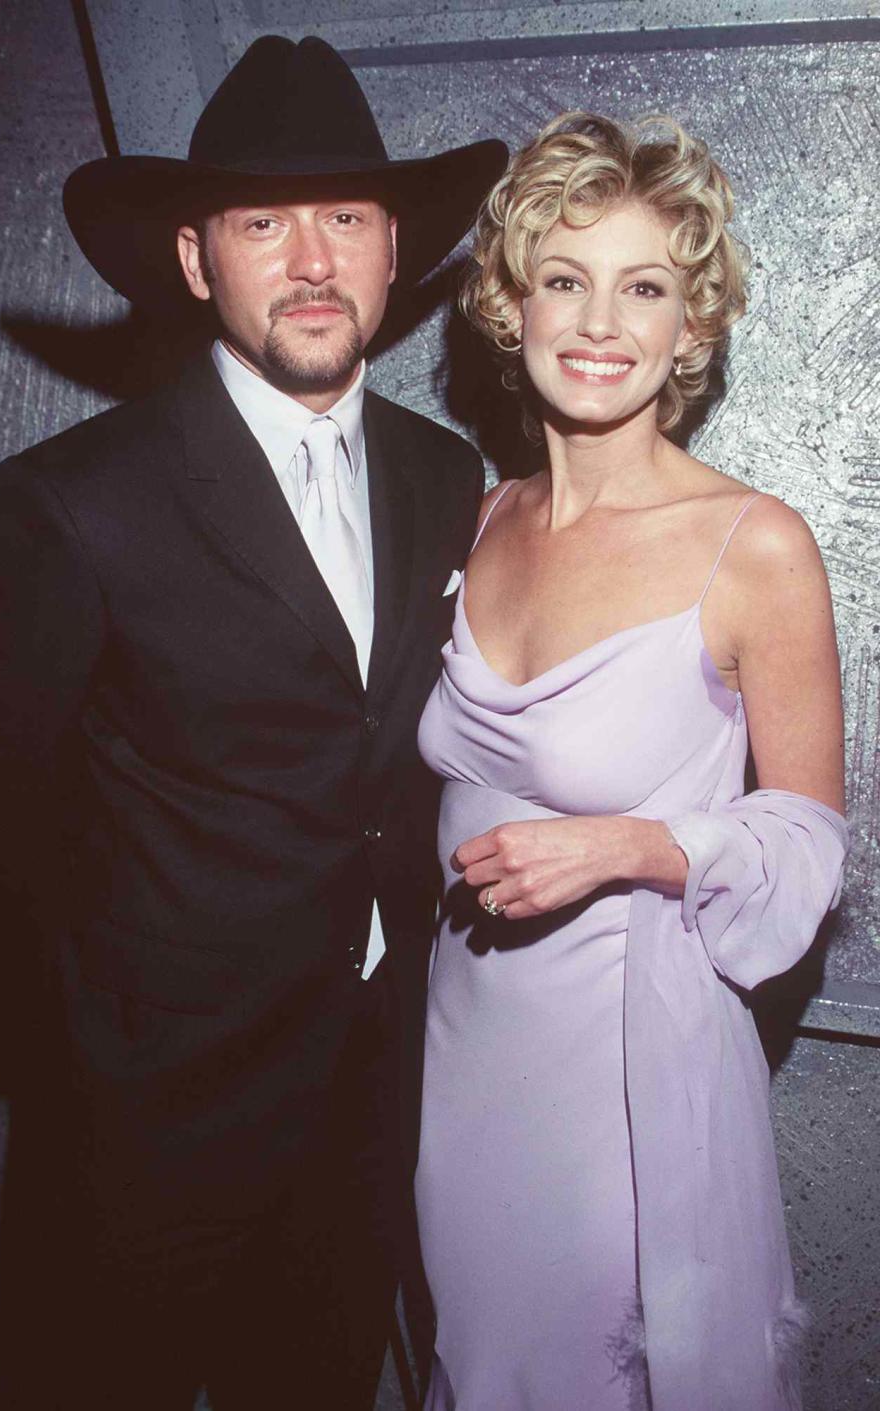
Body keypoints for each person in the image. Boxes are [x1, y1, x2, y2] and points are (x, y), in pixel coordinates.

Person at [0, 34, 507, 1411]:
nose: (312, 262)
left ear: (394, 256)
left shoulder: (445, 474)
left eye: (347, 222)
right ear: (197, 260)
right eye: (264, 223)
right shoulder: (77, 497)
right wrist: (87, 1051)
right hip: (140, 1136)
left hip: (366, 1117)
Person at [415, 112, 848, 1411]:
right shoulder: (481, 516)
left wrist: (638, 848)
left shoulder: (754, 548)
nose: (602, 321)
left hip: (622, 1088)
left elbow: (812, 846)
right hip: (458, 1058)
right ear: (513, 305)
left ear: (690, 327)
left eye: (645, 286)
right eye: (566, 279)